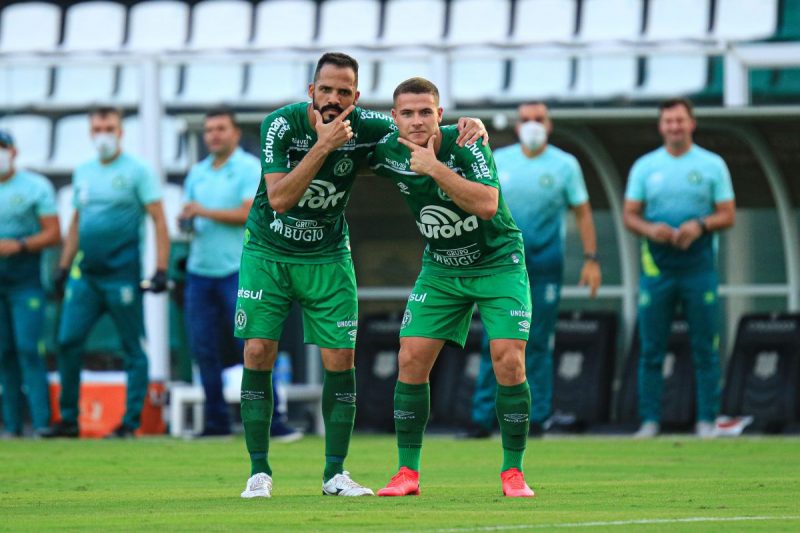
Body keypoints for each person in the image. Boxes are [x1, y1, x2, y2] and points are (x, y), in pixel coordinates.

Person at [236, 53, 487, 499]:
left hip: (329, 256)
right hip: (269, 250)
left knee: (340, 360)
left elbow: (421, 129)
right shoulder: (280, 125)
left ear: (356, 96)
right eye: (326, 89)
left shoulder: (370, 126)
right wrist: (324, 145)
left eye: (344, 92)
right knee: (257, 351)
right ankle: (259, 472)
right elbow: (279, 198)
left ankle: (335, 473)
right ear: (311, 91)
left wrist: (470, 128)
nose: (334, 99)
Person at [369, 77, 535, 498]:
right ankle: (407, 471)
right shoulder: (386, 146)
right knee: (410, 357)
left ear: (439, 115)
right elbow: (339, 121)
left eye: (426, 112)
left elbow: (487, 204)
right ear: (394, 118)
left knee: (508, 359)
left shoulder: (467, 142)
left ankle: (512, 471)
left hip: (497, 261)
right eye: (407, 113)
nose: (417, 120)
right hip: (442, 267)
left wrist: (435, 168)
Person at [467, 103, 602, 438]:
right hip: (502, 262)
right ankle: (483, 418)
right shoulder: (498, 158)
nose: (532, 125)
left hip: (545, 262)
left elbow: (583, 212)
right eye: (525, 120)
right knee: (494, 339)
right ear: (517, 126)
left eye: (538, 119)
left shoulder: (565, 164)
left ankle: (537, 417)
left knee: (538, 341)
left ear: (549, 124)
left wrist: (591, 258)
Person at [41, 107, 170, 438]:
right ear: (90, 132)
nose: (103, 133)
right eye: (97, 127)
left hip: (122, 275)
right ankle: (68, 419)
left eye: (109, 127)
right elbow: (77, 220)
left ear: (120, 131)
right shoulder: (83, 171)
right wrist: (62, 265)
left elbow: (157, 218)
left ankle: (129, 423)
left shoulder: (138, 170)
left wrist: (160, 268)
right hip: (86, 276)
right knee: (67, 341)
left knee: (131, 348)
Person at [180, 107, 301, 441]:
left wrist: (202, 211)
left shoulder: (250, 168)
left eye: (220, 128)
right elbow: (189, 216)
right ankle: (216, 423)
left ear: (235, 133)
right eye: (209, 130)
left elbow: (249, 212)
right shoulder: (197, 173)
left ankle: (271, 421)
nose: (213, 135)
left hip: (239, 270)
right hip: (200, 272)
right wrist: (187, 219)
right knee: (204, 349)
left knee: (255, 344)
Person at [623, 98, 735, 439]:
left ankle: (706, 421)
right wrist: (650, 230)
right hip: (657, 269)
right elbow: (630, 215)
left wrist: (700, 226)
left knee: (705, 346)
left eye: (680, 121)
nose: (674, 127)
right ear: (661, 126)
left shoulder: (712, 165)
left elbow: (727, 214)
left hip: (699, 267)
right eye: (668, 121)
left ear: (691, 123)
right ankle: (650, 421)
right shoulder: (645, 167)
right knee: (652, 348)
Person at [0, 129, 60, 438]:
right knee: (4, 353)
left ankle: (40, 422)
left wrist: (20, 244)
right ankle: (11, 426)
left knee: (27, 348)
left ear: (13, 151)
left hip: (25, 279)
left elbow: (53, 233)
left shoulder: (35, 187)